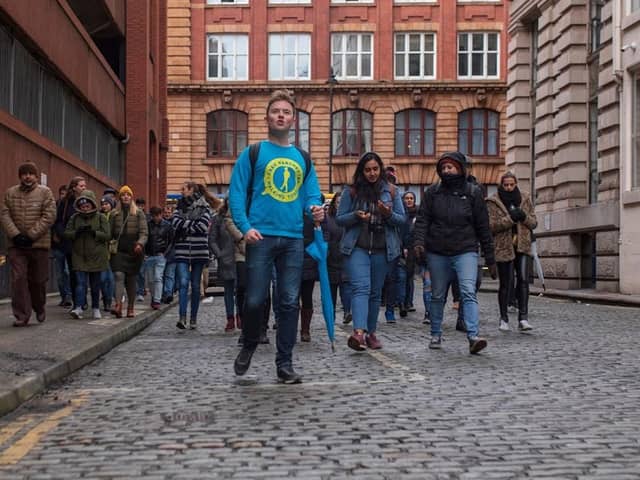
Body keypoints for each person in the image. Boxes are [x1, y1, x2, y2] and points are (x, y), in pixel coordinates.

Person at [229, 89, 324, 384]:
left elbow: (311, 196)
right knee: (256, 299)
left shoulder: (303, 159)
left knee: (288, 302)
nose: (280, 115)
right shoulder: (253, 153)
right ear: (267, 117)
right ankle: (248, 343)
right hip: (261, 237)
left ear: (293, 119)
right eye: (275, 111)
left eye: (285, 112)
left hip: (293, 239)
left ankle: (285, 364)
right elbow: (235, 193)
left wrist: (316, 210)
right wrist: (245, 228)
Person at [413, 152, 496, 354]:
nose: (447, 170)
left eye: (450, 167)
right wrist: (418, 242)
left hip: (465, 249)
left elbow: (483, 226)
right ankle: (435, 333)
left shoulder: (473, 192)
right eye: (444, 167)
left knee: (468, 291)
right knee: (438, 294)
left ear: (460, 168)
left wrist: (490, 257)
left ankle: (473, 335)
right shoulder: (432, 193)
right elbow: (423, 220)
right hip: (438, 250)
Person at [336, 151, 406, 351]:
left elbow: (401, 220)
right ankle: (358, 333)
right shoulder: (352, 192)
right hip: (357, 246)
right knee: (361, 288)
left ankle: (370, 333)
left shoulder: (391, 191)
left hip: (382, 249)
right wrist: (356, 216)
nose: (372, 173)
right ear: (362, 171)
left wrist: (388, 213)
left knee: (375, 293)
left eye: (375, 169)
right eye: (367, 170)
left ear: (380, 169)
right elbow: (340, 218)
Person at [0, 162, 56, 326]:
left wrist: (31, 235)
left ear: (36, 176)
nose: (27, 176)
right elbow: (4, 214)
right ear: (20, 176)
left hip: (38, 244)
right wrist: (15, 235)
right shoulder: (10, 193)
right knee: (18, 279)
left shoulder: (45, 193)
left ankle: (39, 307)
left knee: (38, 280)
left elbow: (49, 216)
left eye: (31, 173)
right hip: (16, 245)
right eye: (24, 173)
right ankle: (22, 315)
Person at [487, 172, 538, 332]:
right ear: (501, 185)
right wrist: (510, 219)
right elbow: (491, 226)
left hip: (522, 246)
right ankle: (504, 318)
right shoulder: (493, 201)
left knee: (523, 280)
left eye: (511, 184)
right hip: (504, 247)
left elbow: (534, 222)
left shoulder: (525, 198)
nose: (509, 187)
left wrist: (523, 216)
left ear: (516, 184)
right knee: (506, 283)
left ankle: (523, 318)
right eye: (506, 185)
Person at [171, 182, 220, 329]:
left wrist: (185, 225)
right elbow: (175, 223)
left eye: (184, 189)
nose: (181, 191)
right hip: (182, 250)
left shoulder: (204, 206)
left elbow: (203, 226)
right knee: (183, 283)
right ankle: (182, 317)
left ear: (191, 190)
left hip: (199, 250)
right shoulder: (179, 206)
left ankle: (193, 318)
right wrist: (192, 225)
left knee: (196, 286)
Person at [63, 191, 110, 320]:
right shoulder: (75, 218)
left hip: (96, 256)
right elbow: (67, 233)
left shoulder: (100, 217)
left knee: (95, 284)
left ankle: (95, 308)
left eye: (87, 205)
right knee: (80, 283)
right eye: (83, 206)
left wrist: (95, 233)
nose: (85, 208)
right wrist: (76, 233)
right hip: (79, 255)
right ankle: (78, 307)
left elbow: (107, 235)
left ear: (92, 205)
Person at [109, 185, 148, 318]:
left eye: (128, 195)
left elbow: (144, 232)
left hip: (134, 251)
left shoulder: (139, 213)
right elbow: (110, 232)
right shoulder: (114, 214)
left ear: (131, 197)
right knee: (119, 276)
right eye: (123, 195)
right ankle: (118, 305)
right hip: (119, 250)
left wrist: (140, 244)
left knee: (131, 280)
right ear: (120, 197)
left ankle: (130, 307)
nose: (126, 197)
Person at [53, 176, 87, 311]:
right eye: (81, 186)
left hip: (84, 243)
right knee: (73, 273)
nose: (84, 188)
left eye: (85, 186)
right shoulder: (65, 203)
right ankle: (76, 301)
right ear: (74, 187)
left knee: (82, 273)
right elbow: (58, 222)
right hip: (69, 244)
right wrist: (65, 233)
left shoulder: (87, 202)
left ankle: (82, 299)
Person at [210, 198, 238, 332]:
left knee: (241, 290)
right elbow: (212, 239)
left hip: (241, 258)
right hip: (225, 259)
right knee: (228, 291)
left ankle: (241, 316)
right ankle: (230, 318)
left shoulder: (241, 215)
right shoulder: (218, 219)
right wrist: (219, 254)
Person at [323, 192, 351, 325]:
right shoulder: (328, 218)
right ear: (334, 203)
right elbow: (325, 236)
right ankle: (331, 315)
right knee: (332, 289)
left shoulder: (349, 219)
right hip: (331, 258)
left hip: (346, 256)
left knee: (346, 286)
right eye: (338, 202)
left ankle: (347, 312)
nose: (340, 204)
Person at [145, 206, 174, 310]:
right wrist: (145, 253)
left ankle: (157, 299)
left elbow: (171, 241)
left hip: (160, 255)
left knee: (158, 277)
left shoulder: (167, 226)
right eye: (154, 216)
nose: (156, 218)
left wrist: (165, 253)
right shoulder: (148, 225)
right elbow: (145, 239)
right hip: (149, 255)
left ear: (160, 214)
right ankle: (154, 297)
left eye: (157, 215)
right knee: (151, 280)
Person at [52, 184, 72, 307]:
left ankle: (69, 295)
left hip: (68, 245)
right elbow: (52, 222)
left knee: (67, 271)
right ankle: (63, 296)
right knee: (60, 274)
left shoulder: (71, 207)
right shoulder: (56, 206)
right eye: (62, 193)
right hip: (58, 245)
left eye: (65, 193)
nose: (63, 196)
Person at [99, 196, 116, 312]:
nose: (104, 206)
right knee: (102, 279)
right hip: (101, 252)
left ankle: (108, 301)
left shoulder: (115, 216)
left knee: (110, 279)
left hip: (113, 252)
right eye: (103, 204)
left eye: (106, 204)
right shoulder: (99, 217)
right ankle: (105, 298)